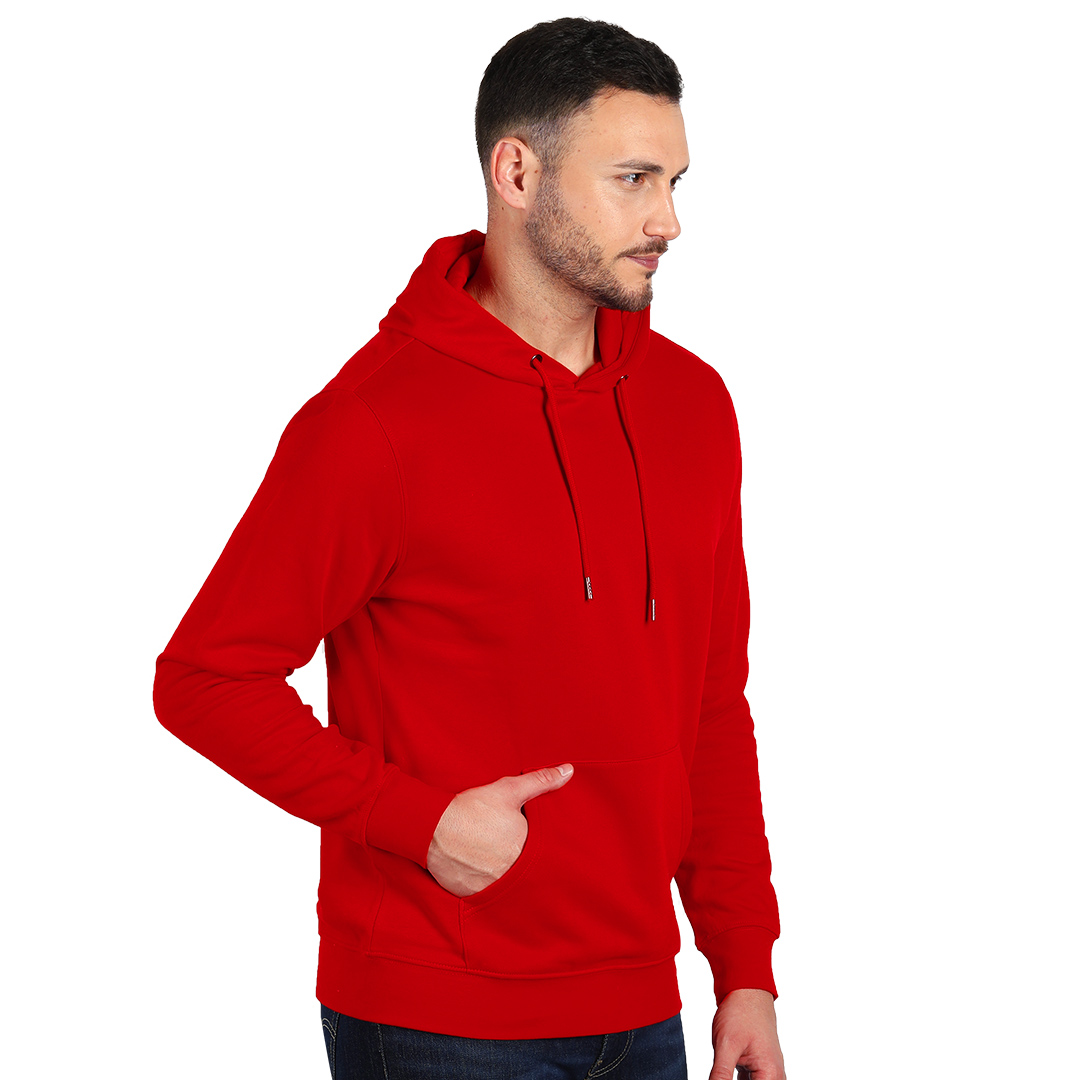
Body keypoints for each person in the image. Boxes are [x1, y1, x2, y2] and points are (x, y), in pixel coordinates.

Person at [154, 17, 784, 1080]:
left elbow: (711, 704)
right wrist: (414, 819)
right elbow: (206, 678)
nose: (668, 220)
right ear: (517, 172)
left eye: (674, 181)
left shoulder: (692, 406)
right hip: (434, 1015)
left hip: (644, 1003)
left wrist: (744, 967)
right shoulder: (374, 425)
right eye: (633, 179)